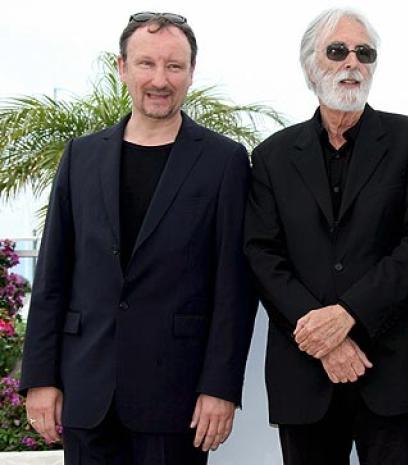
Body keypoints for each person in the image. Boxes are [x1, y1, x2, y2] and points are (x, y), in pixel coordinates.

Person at [20, 12, 256, 465]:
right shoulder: (81, 156)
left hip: (177, 399)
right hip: (87, 392)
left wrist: (220, 388)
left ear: (191, 72)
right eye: (146, 64)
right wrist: (40, 378)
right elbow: (52, 273)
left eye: (174, 66)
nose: (160, 80)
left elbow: (234, 289)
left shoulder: (225, 161)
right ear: (122, 67)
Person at [244, 8, 408, 465]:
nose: (353, 62)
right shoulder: (271, 156)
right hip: (304, 374)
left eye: (364, 53)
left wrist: (349, 315)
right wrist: (323, 335)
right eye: (338, 51)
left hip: (392, 375)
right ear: (311, 65)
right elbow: (261, 254)